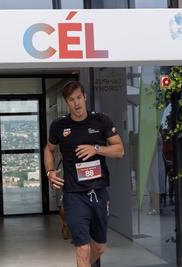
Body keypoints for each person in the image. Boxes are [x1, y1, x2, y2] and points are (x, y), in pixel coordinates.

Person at [44, 81, 124, 267]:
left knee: (99, 248)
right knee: (82, 249)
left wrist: (96, 149)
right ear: (66, 102)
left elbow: (119, 150)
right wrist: (50, 171)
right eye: (71, 100)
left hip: (99, 192)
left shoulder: (101, 121)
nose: (76, 103)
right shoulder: (59, 125)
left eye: (79, 97)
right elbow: (48, 149)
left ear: (85, 97)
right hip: (73, 195)